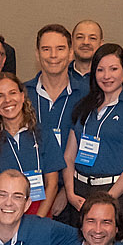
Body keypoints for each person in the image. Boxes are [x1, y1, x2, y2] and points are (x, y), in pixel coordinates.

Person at [61, 43, 123, 236]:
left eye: (113, 69)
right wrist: (70, 193)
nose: (106, 76)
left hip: (115, 192)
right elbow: (69, 156)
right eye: (100, 70)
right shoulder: (84, 106)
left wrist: (108, 199)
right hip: (79, 193)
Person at [0, 72, 61, 214]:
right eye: (0, 96)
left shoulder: (44, 134)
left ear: (22, 96)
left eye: (12, 93)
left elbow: (52, 184)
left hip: (37, 214)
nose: (7, 100)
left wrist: (38, 221)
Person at [31, 24, 86, 158]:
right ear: (37, 54)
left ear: (71, 53)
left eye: (60, 49)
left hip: (72, 170)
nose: (53, 55)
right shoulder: (21, 95)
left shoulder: (87, 95)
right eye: (46, 49)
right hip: (31, 170)